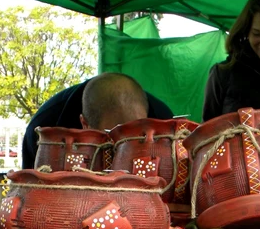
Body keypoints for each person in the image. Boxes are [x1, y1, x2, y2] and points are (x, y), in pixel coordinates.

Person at [22, 72, 174, 169]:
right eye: (112, 142)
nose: (123, 153)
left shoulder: (164, 123)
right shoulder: (44, 128)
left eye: (137, 138)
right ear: (84, 125)